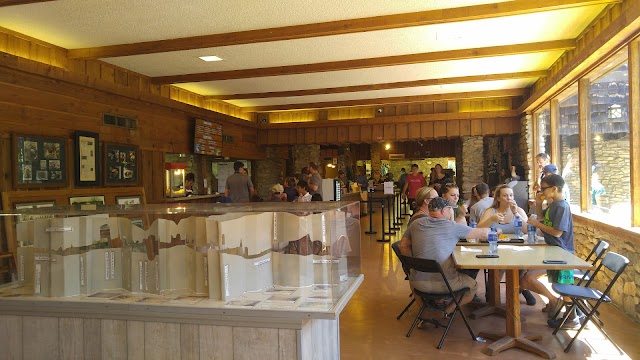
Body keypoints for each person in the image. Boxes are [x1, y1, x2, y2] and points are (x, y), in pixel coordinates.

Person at [398, 197, 491, 320]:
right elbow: (483, 234)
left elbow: (403, 246)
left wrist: (413, 265)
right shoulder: (452, 226)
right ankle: (445, 312)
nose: (451, 212)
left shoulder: (415, 223)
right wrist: (497, 229)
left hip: (417, 284)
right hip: (446, 285)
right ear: (443, 211)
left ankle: (424, 310)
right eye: (450, 210)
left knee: (413, 275)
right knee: (473, 286)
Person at [524, 174, 579, 328]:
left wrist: (536, 223)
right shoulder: (553, 204)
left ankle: (572, 318)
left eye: (544, 189)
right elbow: (542, 219)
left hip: (562, 253)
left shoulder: (561, 206)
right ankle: (559, 305)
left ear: (554, 189)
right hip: (552, 251)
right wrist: (539, 203)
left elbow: (557, 232)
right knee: (527, 278)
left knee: (563, 286)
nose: (541, 191)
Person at [477, 184, 535, 305]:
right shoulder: (491, 211)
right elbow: (479, 229)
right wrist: (491, 220)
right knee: (501, 266)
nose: (509, 198)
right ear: (498, 198)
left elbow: (527, 230)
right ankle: (493, 290)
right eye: (505, 195)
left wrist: (516, 214)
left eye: (511, 195)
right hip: (497, 249)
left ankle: (522, 288)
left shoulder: (518, 210)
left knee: (522, 267)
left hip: (517, 249)